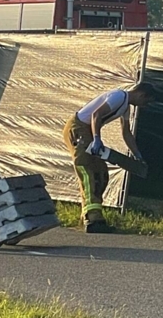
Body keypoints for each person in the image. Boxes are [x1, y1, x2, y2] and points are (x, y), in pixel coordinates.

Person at [63, 82, 156, 233]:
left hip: (88, 131)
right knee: (88, 172)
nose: (144, 105)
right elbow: (96, 115)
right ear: (141, 94)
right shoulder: (118, 96)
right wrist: (97, 138)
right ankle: (92, 220)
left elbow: (126, 133)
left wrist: (137, 155)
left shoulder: (125, 107)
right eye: (146, 101)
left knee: (101, 174)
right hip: (78, 128)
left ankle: (91, 215)